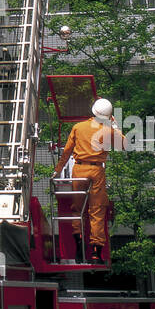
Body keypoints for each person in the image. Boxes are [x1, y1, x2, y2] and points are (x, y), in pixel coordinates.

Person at [53, 98, 124, 263]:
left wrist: (57, 170)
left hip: (79, 170)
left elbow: (67, 152)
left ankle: (78, 249)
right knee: (97, 212)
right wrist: (115, 126)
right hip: (97, 170)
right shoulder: (108, 130)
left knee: (77, 210)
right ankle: (95, 253)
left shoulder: (78, 127)